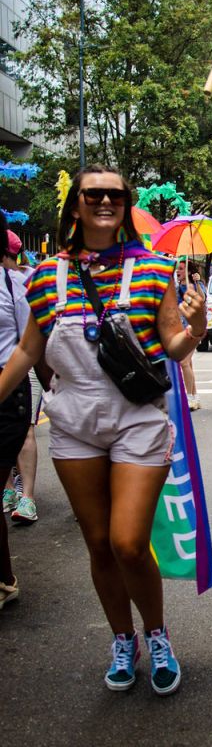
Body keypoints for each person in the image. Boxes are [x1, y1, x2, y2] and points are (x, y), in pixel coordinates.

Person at [0, 166, 206, 691]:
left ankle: (156, 633)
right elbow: (27, 350)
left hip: (138, 419)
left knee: (128, 542)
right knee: (98, 544)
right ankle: (123, 639)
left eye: (116, 194)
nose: (106, 201)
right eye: (94, 194)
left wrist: (197, 327)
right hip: (74, 425)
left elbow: (172, 344)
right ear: (76, 205)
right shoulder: (45, 276)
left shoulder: (155, 269)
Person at [0, 214, 41, 608]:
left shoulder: (15, 284)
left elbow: (30, 346)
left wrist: (56, 392)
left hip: (9, 390)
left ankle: (4, 580)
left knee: (27, 432)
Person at [175, 259, 204, 411]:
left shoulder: (194, 286)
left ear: (188, 271)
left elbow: (202, 299)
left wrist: (197, 283)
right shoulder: (176, 287)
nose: (178, 271)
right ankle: (195, 396)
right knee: (188, 364)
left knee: (184, 363)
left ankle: (189, 397)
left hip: (193, 328)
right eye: (177, 269)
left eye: (181, 269)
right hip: (180, 329)